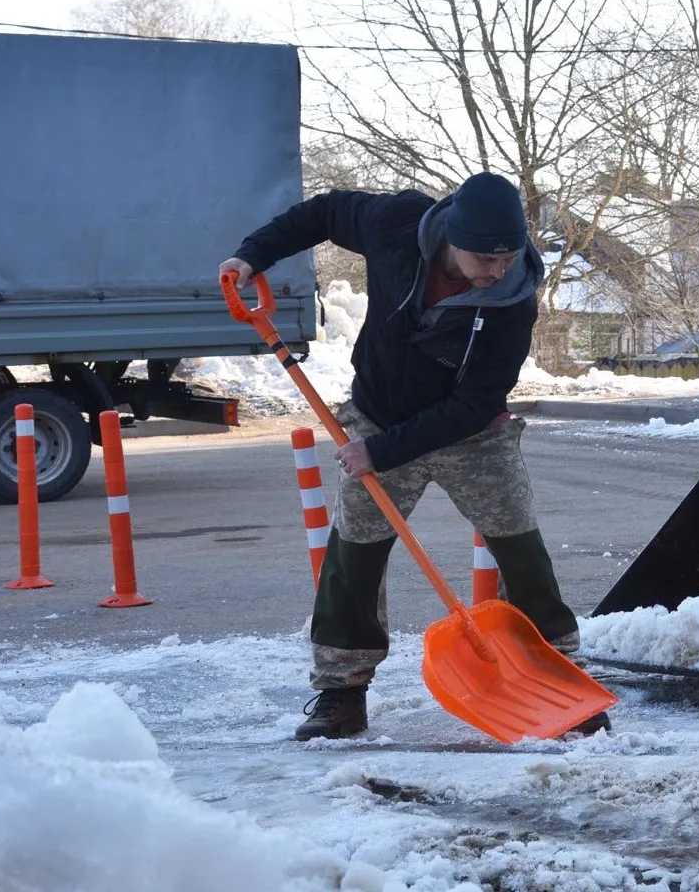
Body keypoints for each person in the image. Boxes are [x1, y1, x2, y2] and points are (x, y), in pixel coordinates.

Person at [218, 172, 605, 741]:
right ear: (450, 235)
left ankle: (562, 676)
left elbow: (474, 404)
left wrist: (378, 452)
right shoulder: (396, 223)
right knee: (354, 554)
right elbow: (324, 213)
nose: (497, 270)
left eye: (507, 257)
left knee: (519, 547)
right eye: (483, 258)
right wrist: (252, 257)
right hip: (380, 414)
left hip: (471, 434)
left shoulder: (513, 303)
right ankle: (341, 694)